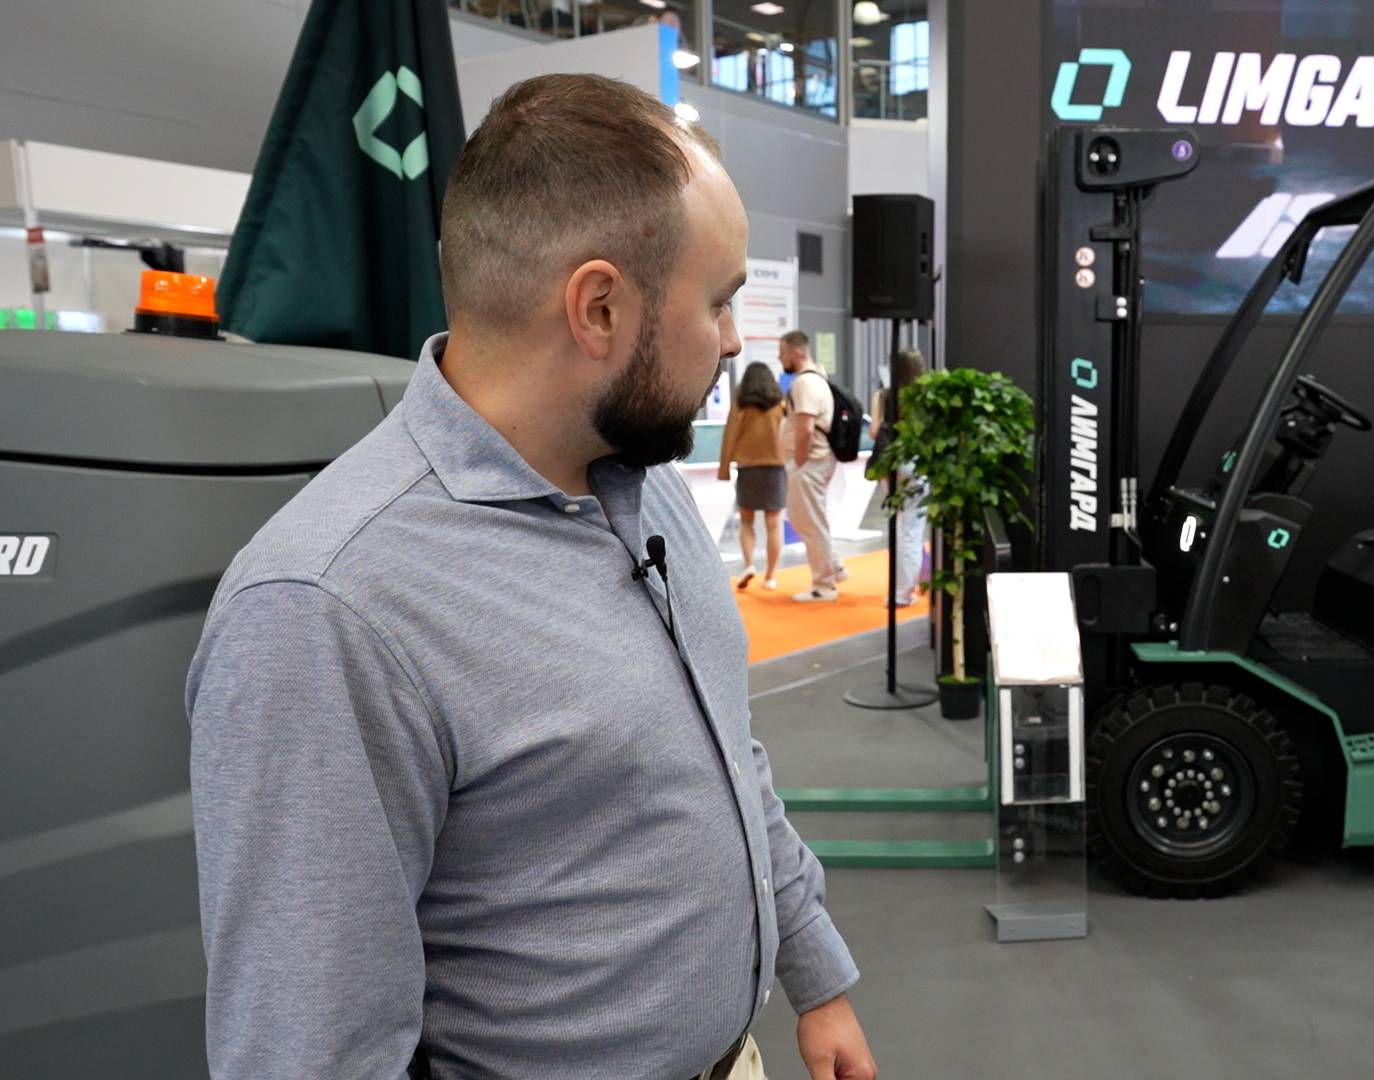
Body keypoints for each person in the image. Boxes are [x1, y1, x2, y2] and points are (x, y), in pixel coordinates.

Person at [185, 74, 876, 1080]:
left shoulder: (645, 482)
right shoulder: (327, 609)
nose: (734, 341)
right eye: (719, 301)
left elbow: (728, 751)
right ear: (600, 307)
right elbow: (310, 1051)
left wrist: (815, 973)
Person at [780, 330, 847, 602]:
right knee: (808, 518)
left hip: (810, 462)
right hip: (815, 461)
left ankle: (824, 584)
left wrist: (798, 461)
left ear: (796, 353)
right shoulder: (816, 378)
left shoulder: (804, 383)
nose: (780, 358)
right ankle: (834, 567)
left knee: (810, 522)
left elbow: (805, 428)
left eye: (782, 353)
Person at [719, 361, 789, 591]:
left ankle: (749, 564)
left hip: (748, 468)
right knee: (773, 524)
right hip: (775, 468)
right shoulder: (780, 403)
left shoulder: (740, 403)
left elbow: (730, 434)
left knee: (746, 521)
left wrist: (724, 468)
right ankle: (770, 576)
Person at [869, 347, 927, 608]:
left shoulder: (883, 395)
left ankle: (908, 585)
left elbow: (873, 432)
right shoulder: (925, 395)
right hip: (917, 463)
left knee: (903, 527)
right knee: (912, 530)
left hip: (891, 463)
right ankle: (903, 592)